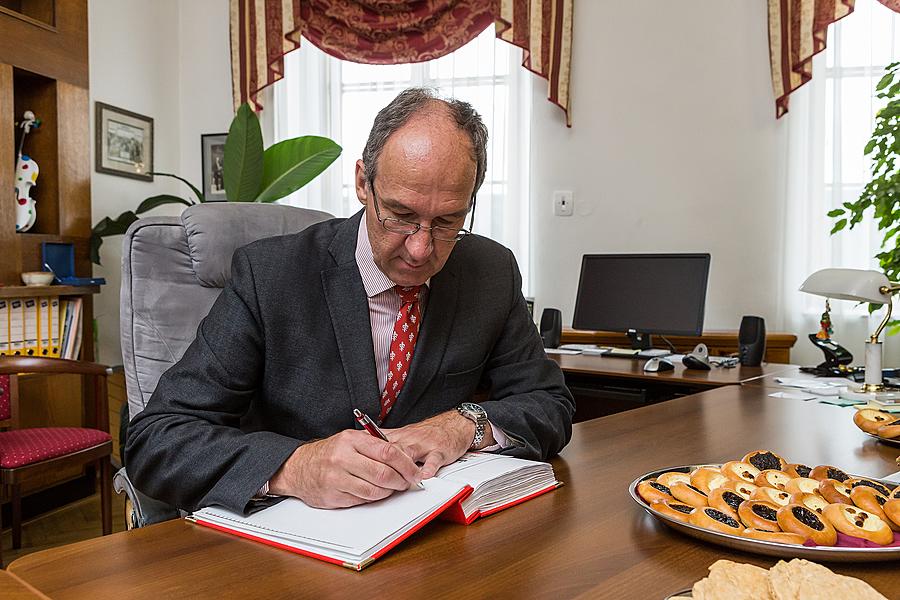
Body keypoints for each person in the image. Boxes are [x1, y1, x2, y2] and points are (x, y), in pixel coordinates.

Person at [125, 88, 575, 514]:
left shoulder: (489, 271)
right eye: (401, 215)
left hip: (433, 536)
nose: (421, 249)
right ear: (363, 182)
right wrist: (294, 466)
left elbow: (549, 403)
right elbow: (156, 439)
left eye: (448, 220)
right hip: (294, 542)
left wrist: (463, 425)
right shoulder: (270, 275)